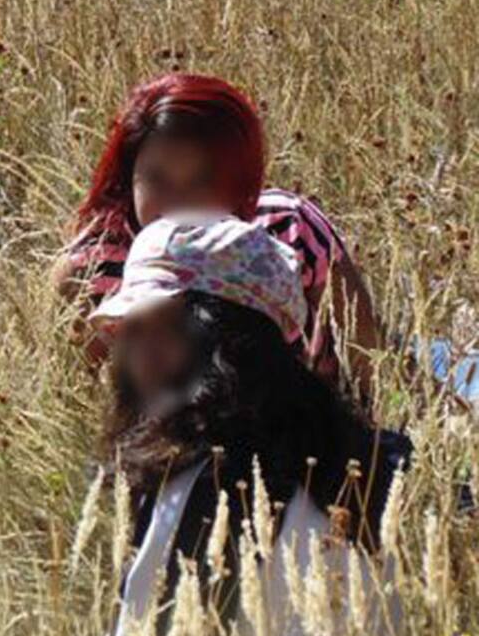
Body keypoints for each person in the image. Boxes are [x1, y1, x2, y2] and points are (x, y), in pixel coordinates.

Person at [86, 214, 407, 636]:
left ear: (231, 339)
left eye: (167, 326)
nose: (136, 355)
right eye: (132, 328)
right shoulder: (355, 469)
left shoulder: (209, 487)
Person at [51, 72, 383, 401]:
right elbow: (74, 398)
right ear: (129, 176)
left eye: (203, 180)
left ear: (240, 182)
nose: (177, 201)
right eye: (157, 178)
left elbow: (371, 362)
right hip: (161, 443)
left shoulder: (287, 229)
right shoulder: (93, 266)